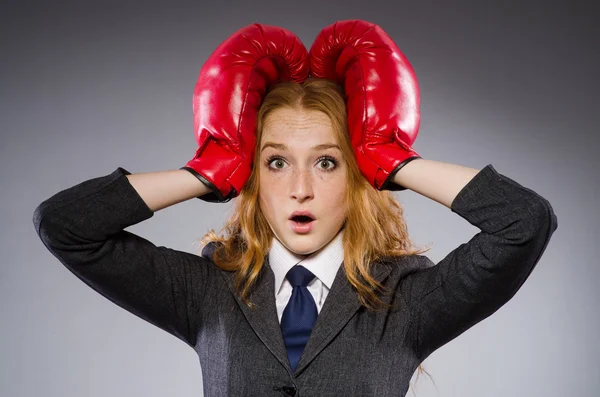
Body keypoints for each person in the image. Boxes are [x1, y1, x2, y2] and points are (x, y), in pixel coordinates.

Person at [32, 21, 558, 397]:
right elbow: (65, 225)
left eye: (328, 163)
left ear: (357, 175)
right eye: (277, 162)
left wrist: (390, 157)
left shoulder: (409, 301)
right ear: (251, 174)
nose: (300, 188)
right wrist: (206, 171)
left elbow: (524, 222)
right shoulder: (207, 291)